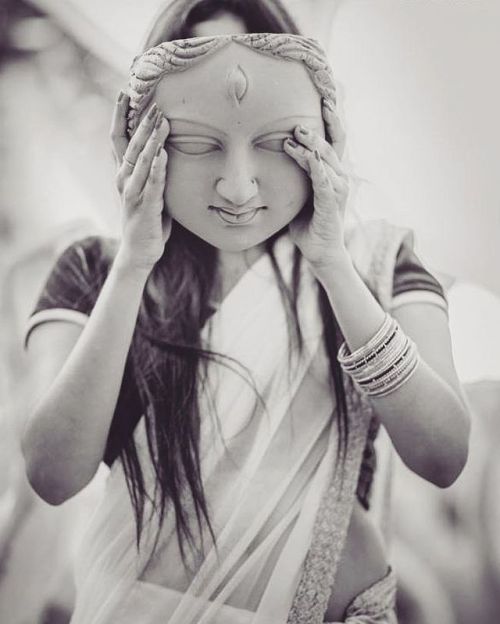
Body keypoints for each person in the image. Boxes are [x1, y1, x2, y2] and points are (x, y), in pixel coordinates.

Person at [20, 2, 470, 623]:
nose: (238, 186)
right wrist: (134, 263)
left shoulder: (375, 265)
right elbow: (52, 473)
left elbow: (444, 454)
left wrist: (332, 264)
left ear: (324, 133)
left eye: (273, 140)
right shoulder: (96, 271)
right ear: (139, 135)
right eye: (198, 143)